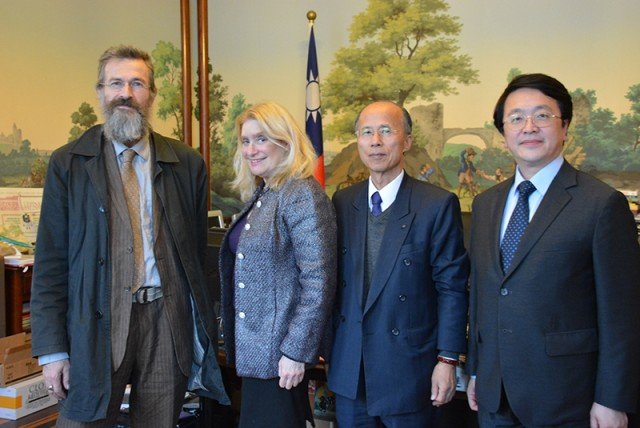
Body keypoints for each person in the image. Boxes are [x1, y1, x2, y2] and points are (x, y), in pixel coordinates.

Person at [30, 45, 227, 426]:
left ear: (151, 94)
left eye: (137, 83)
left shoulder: (186, 164)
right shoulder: (68, 164)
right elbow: (51, 261)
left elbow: (197, 254)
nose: (126, 93)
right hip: (95, 323)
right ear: (101, 91)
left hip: (166, 324)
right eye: (116, 83)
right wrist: (52, 350)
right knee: (81, 421)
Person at [466, 73, 640, 427]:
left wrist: (613, 398)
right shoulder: (485, 204)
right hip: (494, 395)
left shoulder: (602, 204)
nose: (528, 127)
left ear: (565, 127)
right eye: (516, 118)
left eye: (542, 116)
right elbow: (483, 296)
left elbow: (623, 314)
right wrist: (475, 369)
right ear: (503, 133)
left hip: (567, 398)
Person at [328, 101, 469, 427]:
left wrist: (447, 360)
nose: (375, 141)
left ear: (406, 141)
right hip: (351, 372)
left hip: (408, 370)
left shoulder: (436, 205)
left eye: (386, 131)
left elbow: (452, 288)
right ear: (358, 142)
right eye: (366, 132)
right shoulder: (343, 202)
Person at [219, 102, 336, 427]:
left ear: (285, 142)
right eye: (245, 141)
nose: (251, 150)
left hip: (281, 359)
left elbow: (318, 282)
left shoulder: (300, 194)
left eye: (261, 139)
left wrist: (297, 352)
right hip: (256, 355)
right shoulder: (264, 193)